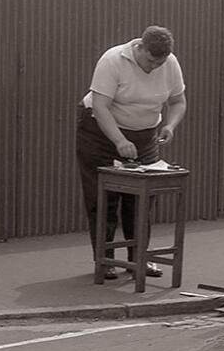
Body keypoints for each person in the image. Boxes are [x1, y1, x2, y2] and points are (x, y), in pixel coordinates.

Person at [75, 25, 186, 279]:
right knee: (104, 197)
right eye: (150, 60)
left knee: (141, 199)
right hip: (99, 133)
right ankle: (106, 260)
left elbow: (178, 101)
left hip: (145, 134)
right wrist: (119, 140)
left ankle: (139, 259)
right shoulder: (113, 60)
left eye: (160, 62)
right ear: (140, 47)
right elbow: (101, 107)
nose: (153, 67)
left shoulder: (170, 63)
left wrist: (170, 125)